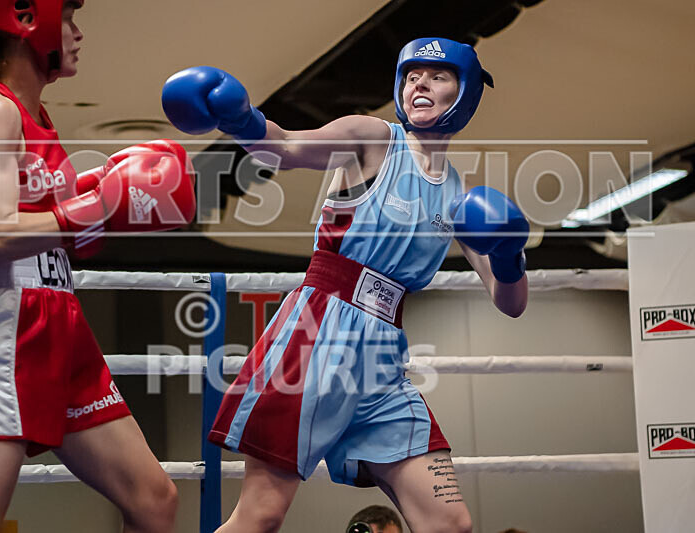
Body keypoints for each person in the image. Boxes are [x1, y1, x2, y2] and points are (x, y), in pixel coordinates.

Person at [163, 37, 528, 533]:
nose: (419, 82)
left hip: (383, 361)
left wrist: (509, 256)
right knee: (261, 516)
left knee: (450, 522)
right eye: (411, 74)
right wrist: (239, 117)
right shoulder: (373, 137)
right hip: (319, 330)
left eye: (437, 75)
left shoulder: (459, 194)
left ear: (464, 95)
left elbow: (509, 303)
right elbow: (285, 148)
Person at [0, 1, 196, 532]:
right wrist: (100, 204)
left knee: (154, 501)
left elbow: (56, 231)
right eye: (70, 18)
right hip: (6, 323)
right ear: (28, 18)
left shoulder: (40, 120)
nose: (78, 33)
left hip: (61, 322)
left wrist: (104, 205)